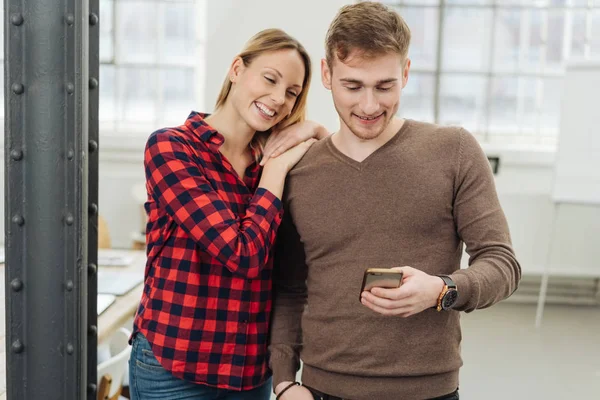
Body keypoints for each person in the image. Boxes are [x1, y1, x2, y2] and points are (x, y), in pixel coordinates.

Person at [269, 3, 522, 400]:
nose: (369, 106)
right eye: (352, 86)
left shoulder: (453, 150)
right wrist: (284, 382)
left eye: (385, 86)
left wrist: (442, 290)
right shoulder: (300, 171)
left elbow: (502, 264)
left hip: (428, 391)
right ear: (326, 74)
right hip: (321, 389)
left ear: (405, 73)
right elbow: (289, 288)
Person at [129, 28, 329, 400]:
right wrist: (275, 171)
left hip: (251, 374)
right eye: (270, 79)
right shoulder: (171, 148)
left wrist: (315, 130)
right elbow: (243, 253)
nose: (278, 99)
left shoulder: (275, 159)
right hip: (175, 369)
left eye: (292, 92)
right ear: (237, 69)